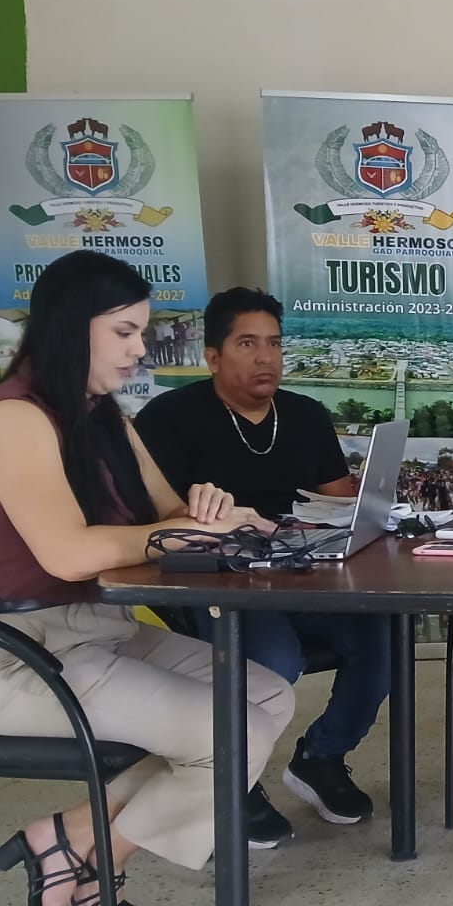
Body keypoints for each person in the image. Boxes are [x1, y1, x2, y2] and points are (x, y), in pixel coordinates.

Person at [0, 250, 295, 906]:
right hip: (9, 651)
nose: (139, 349)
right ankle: (92, 859)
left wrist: (209, 512)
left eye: (140, 332)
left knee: (269, 697)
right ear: (70, 326)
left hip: (95, 629)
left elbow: (168, 513)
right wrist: (176, 532)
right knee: (231, 733)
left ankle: (75, 842)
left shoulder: (101, 417)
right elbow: (69, 554)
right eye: (124, 332)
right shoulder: (14, 419)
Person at [134, 288, 386, 847]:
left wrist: (374, 503)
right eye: (247, 344)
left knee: (381, 634)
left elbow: (338, 498)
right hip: (220, 583)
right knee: (275, 658)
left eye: (273, 343)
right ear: (213, 356)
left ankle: (321, 758)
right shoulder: (169, 418)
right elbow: (156, 520)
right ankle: (234, 776)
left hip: (301, 574)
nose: (266, 357)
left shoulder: (305, 414)